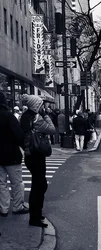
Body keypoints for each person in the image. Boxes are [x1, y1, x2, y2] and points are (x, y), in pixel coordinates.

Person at [20, 94, 56, 228]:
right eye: (41, 104)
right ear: (37, 105)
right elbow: (52, 130)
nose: (44, 106)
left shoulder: (25, 117)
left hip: (30, 155)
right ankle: (34, 217)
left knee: (39, 184)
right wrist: (46, 115)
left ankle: (36, 214)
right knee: (39, 186)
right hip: (37, 155)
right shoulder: (37, 119)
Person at [0, 92, 29, 217]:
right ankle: (17, 206)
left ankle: (3, 208)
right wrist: (26, 148)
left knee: (1, 184)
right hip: (12, 155)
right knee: (16, 182)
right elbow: (18, 135)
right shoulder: (9, 116)